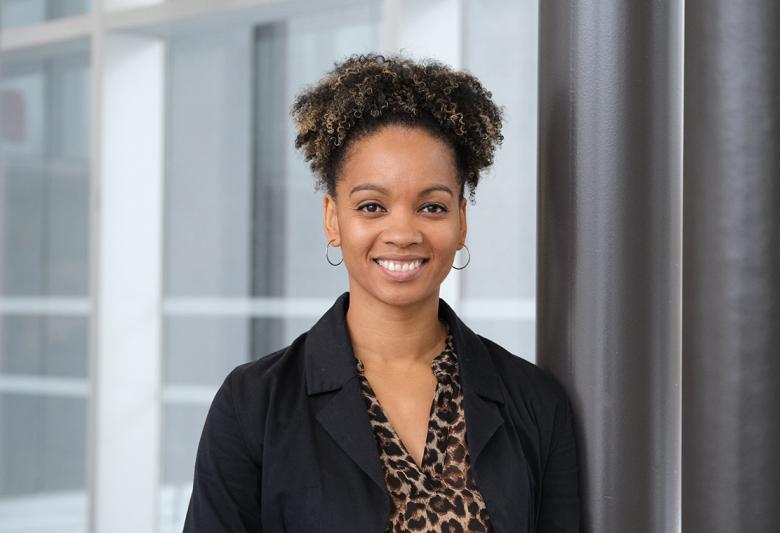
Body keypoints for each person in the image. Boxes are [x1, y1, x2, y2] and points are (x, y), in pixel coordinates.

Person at [184, 53, 579, 533]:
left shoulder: (534, 402)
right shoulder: (252, 406)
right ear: (333, 218)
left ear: (461, 222)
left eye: (431, 207)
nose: (403, 232)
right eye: (372, 206)